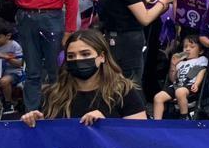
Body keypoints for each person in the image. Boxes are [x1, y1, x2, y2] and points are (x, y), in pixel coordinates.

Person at [20, 29, 148, 125]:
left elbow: (139, 135)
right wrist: (37, 123)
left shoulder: (123, 91)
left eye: (85, 54)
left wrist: (108, 125)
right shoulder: (53, 95)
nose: (78, 59)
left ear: (102, 57)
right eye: (71, 56)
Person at [96, 0, 175, 85]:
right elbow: (145, 18)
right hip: (128, 41)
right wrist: (164, 0)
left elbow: (122, 2)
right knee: (132, 83)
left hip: (112, 39)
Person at [153, 35, 208, 119]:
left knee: (180, 92)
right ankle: (156, 122)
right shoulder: (180, 63)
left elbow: (202, 71)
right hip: (177, 85)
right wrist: (173, 65)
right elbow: (173, 79)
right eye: (185, 47)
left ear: (200, 51)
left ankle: (184, 117)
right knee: (158, 97)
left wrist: (197, 83)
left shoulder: (201, 59)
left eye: (192, 47)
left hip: (190, 85)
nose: (187, 49)